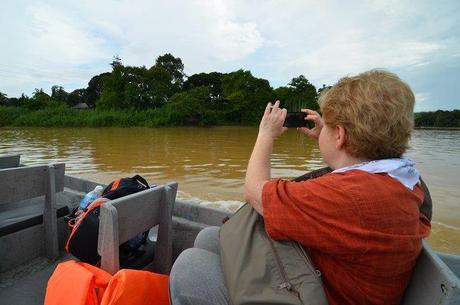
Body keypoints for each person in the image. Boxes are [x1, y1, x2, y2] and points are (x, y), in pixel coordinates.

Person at [170, 69, 431, 305]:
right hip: (324, 277)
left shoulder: (348, 195)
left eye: (328, 127)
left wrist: (265, 135)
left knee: (190, 266)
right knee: (209, 238)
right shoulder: (403, 181)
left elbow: (254, 190)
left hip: (318, 292)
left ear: (339, 135)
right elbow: (353, 166)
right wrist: (327, 139)